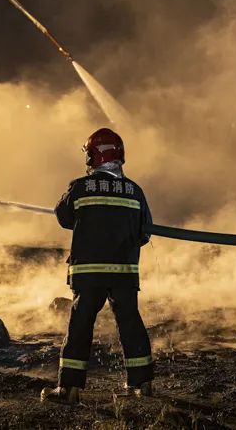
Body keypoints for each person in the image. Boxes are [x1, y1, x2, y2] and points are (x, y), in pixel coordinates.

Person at [41, 127, 154, 405]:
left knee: (81, 325)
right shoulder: (135, 191)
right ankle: (143, 382)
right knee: (130, 322)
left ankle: (69, 389)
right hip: (124, 274)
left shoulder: (80, 187)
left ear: (93, 157)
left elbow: (64, 217)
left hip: (88, 273)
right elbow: (145, 232)